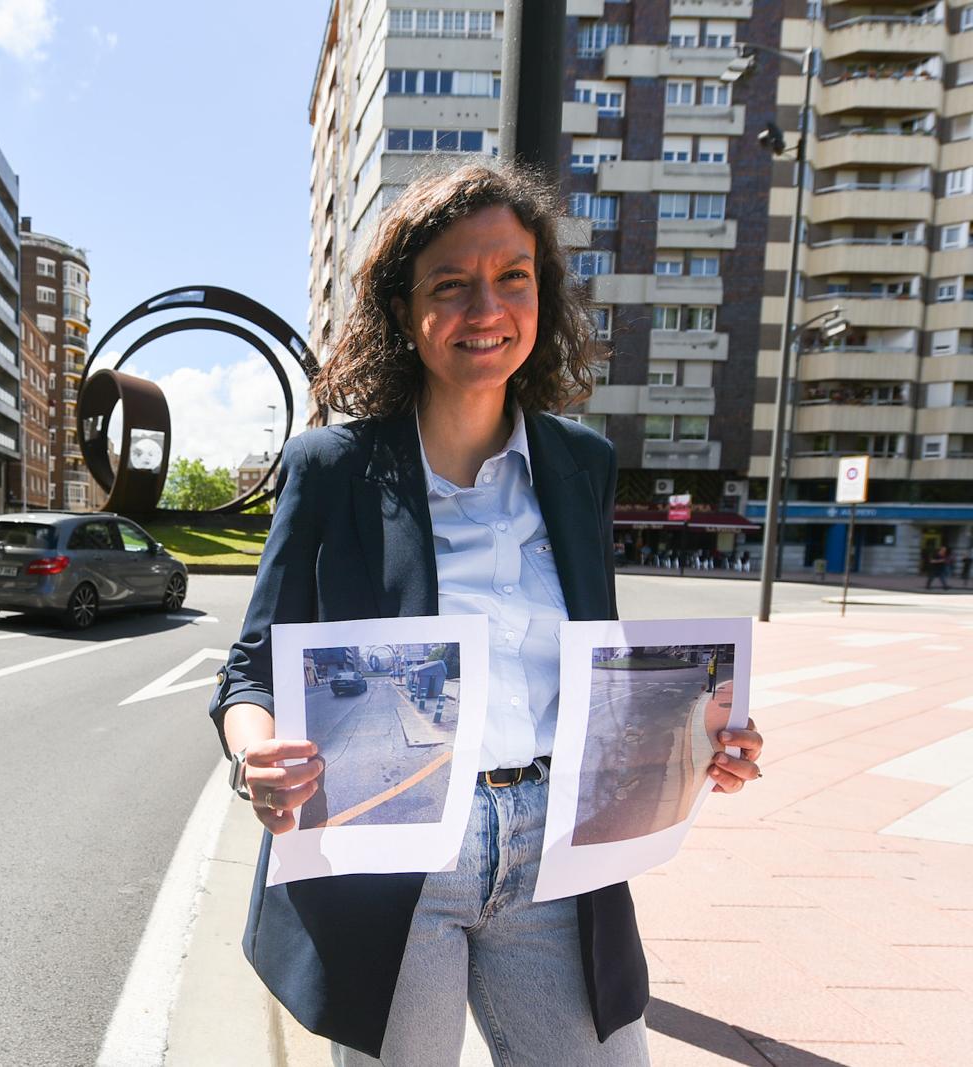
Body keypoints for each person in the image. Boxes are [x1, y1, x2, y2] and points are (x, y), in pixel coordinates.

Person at [208, 163, 764, 1066]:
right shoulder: (334, 468)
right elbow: (250, 668)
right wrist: (253, 753)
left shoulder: (579, 462)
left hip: (559, 850)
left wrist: (700, 736)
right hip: (397, 851)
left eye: (513, 276)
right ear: (402, 311)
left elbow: (599, 661)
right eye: (451, 284)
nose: (487, 307)